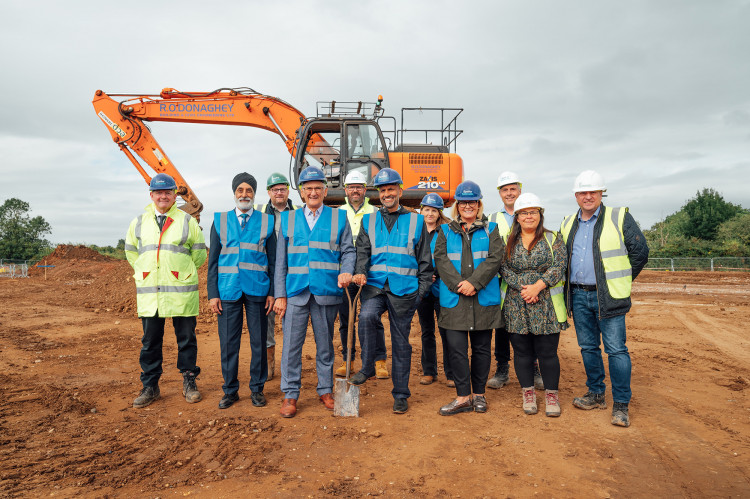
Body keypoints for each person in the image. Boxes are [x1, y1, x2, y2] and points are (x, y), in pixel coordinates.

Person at [560, 170, 649, 427]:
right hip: (578, 294)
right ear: (576, 195)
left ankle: (621, 404)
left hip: (608, 296)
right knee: (588, 348)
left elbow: (640, 252)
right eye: (583, 192)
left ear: (601, 194)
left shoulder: (618, 216)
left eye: (593, 192)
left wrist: (619, 280)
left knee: (616, 350)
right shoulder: (568, 223)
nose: (588, 197)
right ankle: (596, 393)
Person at [348, 168, 433, 414]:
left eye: (390, 189)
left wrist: (420, 293)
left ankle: (400, 394)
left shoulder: (417, 220)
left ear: (399, 190)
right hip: (374, 287)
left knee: (401, 344)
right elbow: (362, 252)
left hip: (405, 290)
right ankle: (368, 366)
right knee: (366, 317)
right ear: (379, 194)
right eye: (383, 190)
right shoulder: (369, 220)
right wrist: (360, 271)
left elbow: (425, 262)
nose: (387, 193)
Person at [273, 166, 355, 418]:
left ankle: (325, 390)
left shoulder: (339, 218)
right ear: (302, 192)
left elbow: (349, 251)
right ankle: (290, 394)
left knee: (325, 347)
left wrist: (347, 271)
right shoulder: (287, 219)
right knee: (291, 347)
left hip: (326, 291)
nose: (313, 192)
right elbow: (281, 262)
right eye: (308, 188)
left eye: (317, 187)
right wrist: (279, 295)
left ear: (325, 190)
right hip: (296, 292)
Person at [124, 173, 207, 408]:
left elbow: (199, 253)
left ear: (174, 195)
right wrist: (145, 271)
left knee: (187, 340)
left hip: (181, 291)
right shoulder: (138, 222)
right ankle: (150, 386)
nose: (163, 196)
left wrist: (183, 273)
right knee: (150, 341)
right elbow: (131, 252)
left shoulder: (187, 221)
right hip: (151, 292)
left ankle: (189, 381)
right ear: (151, 195)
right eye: (158, 192)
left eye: (168, 192)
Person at [433, 181, 504, 415]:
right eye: (463, 202)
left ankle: (479, 395)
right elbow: (441, 261)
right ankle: (463, 397)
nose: (468, 206)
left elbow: (495, 259)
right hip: (455, 300)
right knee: (457, 350)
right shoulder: (445, 231)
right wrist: (459, 285)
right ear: (457, 205)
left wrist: (474, 283)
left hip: (482, 299)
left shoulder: (491, 230)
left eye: (472, 201)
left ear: (479, 204)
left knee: (482, 349)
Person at [207, 173, 276, 409]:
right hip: (227, 290)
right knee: (228, 343)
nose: (244, 194)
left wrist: (273, 292)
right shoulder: (220, 220)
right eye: (240, 190)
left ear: (254, 194)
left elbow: (275, 261)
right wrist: (212, 294)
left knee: (259, 342)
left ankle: (257, 389)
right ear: (234, 193)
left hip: (258, 289)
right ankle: (230, 390)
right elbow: (213, 261)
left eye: (248, 190)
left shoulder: (267, 221)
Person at [501, 193, 568, 417]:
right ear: (517, 217)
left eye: (533, 212)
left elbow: (559, 265)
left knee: (548, 352)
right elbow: (503, 268)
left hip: (546, 303)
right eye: (524, 213)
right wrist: (525, 288)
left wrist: (537, 287)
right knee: (522, 352)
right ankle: (528, 393)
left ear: (540, 215)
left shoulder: (553, 238)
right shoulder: (507, 240)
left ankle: (551, 395)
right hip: (516, 303)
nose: (529, 216)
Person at [486, 171, 543, 391]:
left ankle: (535, 368)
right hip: (501, 282)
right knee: (502, 326)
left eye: (512, 189)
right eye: (505, 190)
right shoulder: (492, 219)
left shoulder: (531, 214)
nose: (509, 193)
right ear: (500, 193)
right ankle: (502, 369)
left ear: (520, 189)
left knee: (532, 325)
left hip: (531, 285)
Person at [335, 170, 388, 379]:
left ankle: (379, 360)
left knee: (371, 318)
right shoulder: (338, 213)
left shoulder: (375, 213)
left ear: (365, 190)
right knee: (346, 319)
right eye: (351, 187)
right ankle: (348, 359)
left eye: (359, 187)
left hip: (369, 274)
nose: (355, 190)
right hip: (345, 274)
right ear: (346, 190)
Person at [254, 172, 299, 380]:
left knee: (290, 318)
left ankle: (289, 366)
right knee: (267, 316)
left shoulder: (298, 212)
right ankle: (269, 363)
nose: (278, 192)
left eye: (282, 189)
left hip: (292, 272)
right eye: (274, 189)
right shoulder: (259, 213)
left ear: (287, 190)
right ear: (269, 192)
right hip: (266, 271)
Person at [416, 193, 454, 386]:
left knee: (446, 330)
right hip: (423, 288)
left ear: (439, 213)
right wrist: (421, 275)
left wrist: (435, 273)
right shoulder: (415, 230)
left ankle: (451, 373)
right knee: (426, 331)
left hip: (441, 287)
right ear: (421, 210)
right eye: (427, 209)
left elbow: (449, 258)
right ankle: (429, 371)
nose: (429, 213)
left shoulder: (446, 232)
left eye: (434, 210)